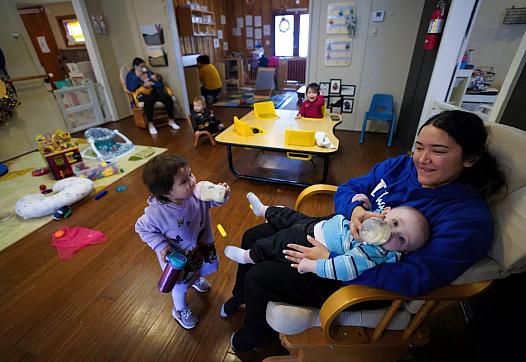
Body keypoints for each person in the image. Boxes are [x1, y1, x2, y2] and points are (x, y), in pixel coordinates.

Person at [222, 110, 506, 355]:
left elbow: (413, 277)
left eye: (439, 151)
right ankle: (240, 296)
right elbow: (349, 188)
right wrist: (354, 211)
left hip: (362, 275)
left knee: (262, 276)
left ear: (469, 159)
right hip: (340, 232)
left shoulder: (468, 220)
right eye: (419, 146)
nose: (422, 159)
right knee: (253, 236)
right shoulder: (401, 166)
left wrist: (330, 260)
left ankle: (254, 337)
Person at [224, 193, 429, 282]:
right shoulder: (376, 215)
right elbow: (364, 207)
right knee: (287, 215)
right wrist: (363, 203)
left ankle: (249, 256)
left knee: (278, 242)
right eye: (394, 223)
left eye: (401, 240)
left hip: (314, 242)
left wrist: (313, 266)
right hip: (320, 224)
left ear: (403, 251)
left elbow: (341, 268)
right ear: (386, 213)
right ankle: (264, 209)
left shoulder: (371, 254)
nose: (391, 232)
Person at [135, 154, 230, 329]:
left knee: (197, 268)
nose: (193, 182)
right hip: (178, 259)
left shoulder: (196, 195)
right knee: (180, 285)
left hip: (198, 247)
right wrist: (160, 245)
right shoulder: (156, 213)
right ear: (166, 192)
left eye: (191, 175)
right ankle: (180, 309)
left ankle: (195, 279)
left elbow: (211, 204)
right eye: (184, 181)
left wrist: (220, 195)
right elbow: (142, 228)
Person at [125, 57, 179, 135]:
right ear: (135, 66)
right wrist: (140, 81)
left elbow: (159, 82)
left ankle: (171, 120)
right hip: (141, 93)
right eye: (141, 66)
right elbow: (130, 88)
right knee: (148, 101)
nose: (143, 68)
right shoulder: (130, 75)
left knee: (167, 98)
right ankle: (151, 124)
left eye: (144, 65)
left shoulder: (148, 72)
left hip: (153, 90)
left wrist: (152, 83)